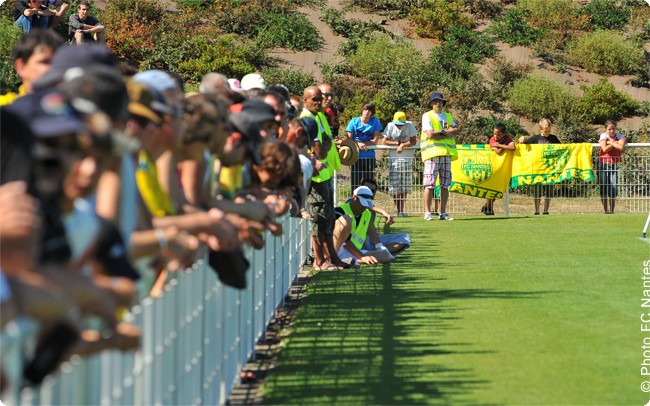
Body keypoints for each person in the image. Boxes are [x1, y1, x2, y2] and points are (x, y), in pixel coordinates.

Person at [300, 86, 347, 270]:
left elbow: (326, 141)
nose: (320, 102)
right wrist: (325, 144)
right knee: (318, 219)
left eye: (323, 98)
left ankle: (331, 257)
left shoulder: (318, 116)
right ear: (306, 100)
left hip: (324, 175)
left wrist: (325, 144)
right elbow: (319, 150)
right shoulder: (307, 119)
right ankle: (320, 260)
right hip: (315, 177)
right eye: (316, 99)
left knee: (327, 219)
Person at [0, 29, 64, 106]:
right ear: (21, 67)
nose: (53, 68)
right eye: (45, 62)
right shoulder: (7, 109)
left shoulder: (73, 109)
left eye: (58, 62)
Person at [333, 186, 394, 266]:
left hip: (355, 251)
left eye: (366, 204)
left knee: (386, 255)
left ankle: (349, 261)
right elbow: (345, 240)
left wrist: (379, 246)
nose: (364, 207)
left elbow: (371, 230)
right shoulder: (339, 211)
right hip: (337, 249)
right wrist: (362, 257)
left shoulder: (366, 213)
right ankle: (337, 259)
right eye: (362, 203)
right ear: (355, 198)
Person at [421, 92, 458, 221]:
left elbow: (455, 130)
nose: (438, 103)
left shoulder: (447, 116)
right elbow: (430, 134)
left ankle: (443, 212)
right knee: (429, 184)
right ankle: (427, 212)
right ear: (431, 103)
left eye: (440, 101)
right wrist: (445, 132)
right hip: (432, 154)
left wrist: (442, 133)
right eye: (435, 101)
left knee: (445, 184)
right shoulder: (427, 116)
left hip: (446, 153)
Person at [518, 118, 562, 215]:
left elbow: (561, 148)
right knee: (537, 191)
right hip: (538, 169)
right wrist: (522, 139)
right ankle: (537, 210)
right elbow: (524, 145)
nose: (547, 133)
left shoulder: (553, 138)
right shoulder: (535, 139)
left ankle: (546, 210)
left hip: (550, 169)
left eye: (549, 131)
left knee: (549, 191)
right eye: (545, 131)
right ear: (540, 129)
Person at [382, 111, 417, 216]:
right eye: (397, 124)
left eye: (401, 124)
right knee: (395, 187)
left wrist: (402, 146)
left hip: (407, 159)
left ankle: (401, 210)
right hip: (394, 160)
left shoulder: (410, 125)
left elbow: (413, 141)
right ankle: (399, 210)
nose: (399, 126)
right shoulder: (390, 126)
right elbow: (384, 141)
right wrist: (398, 144)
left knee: (404, 186)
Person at [345, 102, 383, 191]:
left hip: (369, 157)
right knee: (355, 183)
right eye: (365, 109)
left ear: (372, 112)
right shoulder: (354, 121)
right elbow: (349, 139)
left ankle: (367, 202)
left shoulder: (375, 121)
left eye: (369, 110)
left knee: (369, 183)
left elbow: (375, 141)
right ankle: (354, 202)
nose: (367, 112)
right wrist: (358, 143)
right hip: (355, 157)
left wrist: (364, 143)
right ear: (362, 110)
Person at [482, 123, 514, 215]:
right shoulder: (492, 140)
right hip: (492, 166)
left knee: (499, 188)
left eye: (498, 134)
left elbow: (512, 147)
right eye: (494, 134)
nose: (495, 136)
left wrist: (499, 145)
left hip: (502, 168)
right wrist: (503, 146)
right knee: (491, 188)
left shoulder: (506, 138)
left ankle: (487, 207)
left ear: (504, 134)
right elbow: (499, 152)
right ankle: (488, 207)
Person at [597, 120, 626, 214]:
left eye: (613, 128)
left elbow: (621, 147)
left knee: (613, 188)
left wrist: (611, 143)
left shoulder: (620, 136)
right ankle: (606, 211)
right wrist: (615, 143)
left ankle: (612, 211)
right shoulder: (603, 136)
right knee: (603, 188)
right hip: (603, 164)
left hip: (613, 165)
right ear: (606, 129)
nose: (612, 131)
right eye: (609, 129)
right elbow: (604, 149)